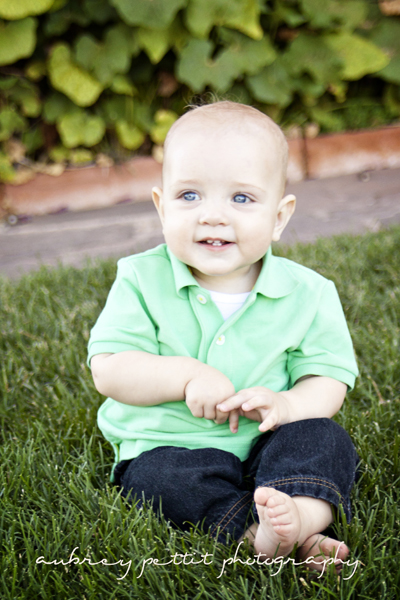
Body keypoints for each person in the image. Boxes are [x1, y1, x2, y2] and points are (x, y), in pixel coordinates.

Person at [88, 100, 359, 572]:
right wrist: (186, 376)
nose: (212, 216)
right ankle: (255, 532)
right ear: (161, 207)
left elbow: (328, 379)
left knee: (325, 439)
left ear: (279, 217)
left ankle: (299, 516)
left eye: (241, 199)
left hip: (268, 439)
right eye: (190, 195)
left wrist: (286, 406)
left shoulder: (310, 292)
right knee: (156, 479)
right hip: (170, 446)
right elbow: (109, 370)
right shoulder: (140, 279)